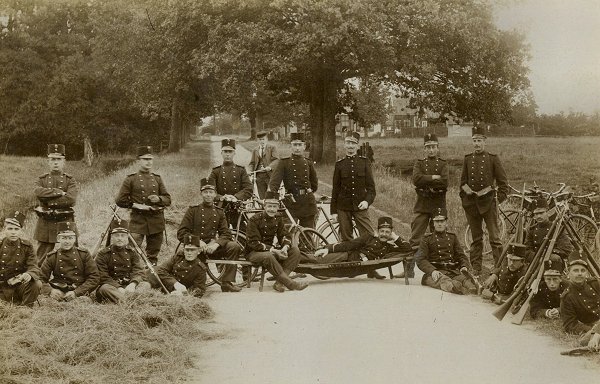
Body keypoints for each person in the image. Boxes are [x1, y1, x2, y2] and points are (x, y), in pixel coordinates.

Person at [177, 178, 243, 293]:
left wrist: (217, 244)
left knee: (234, 246)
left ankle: (227, 282)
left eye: (211, 192)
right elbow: (181, 232)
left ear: (215, 194)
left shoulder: (219, 212)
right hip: (196, 248)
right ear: (201, 194)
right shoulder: (193, 211)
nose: (208, 195)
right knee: (197, 287)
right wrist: (197, 242)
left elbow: (226, 233)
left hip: (213, 248)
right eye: (205, 192)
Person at [459, 125, 509, 276]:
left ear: (485, 141)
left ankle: (499, 268)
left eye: (479, 140)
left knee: (494, 238)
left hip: (489, 204)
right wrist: (465, 198)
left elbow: (503, 185)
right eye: (474, 140)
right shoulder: (467, 159)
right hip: (472, 205)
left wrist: (496, 201)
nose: (477, 144)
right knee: (476, 238)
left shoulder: (493, 159)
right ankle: (476, 268)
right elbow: (462, 184)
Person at [399, 133, 448, 279]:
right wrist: (434, 177)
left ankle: (441, 269)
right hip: (422, 205)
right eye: (428, 148)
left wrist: (425, 181)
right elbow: (416, 180)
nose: (431, 150)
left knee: (439, 237)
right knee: (415, 238)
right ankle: (409, 269)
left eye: (433, 147)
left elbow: (445, 182)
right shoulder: (419, 163)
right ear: (424, 149)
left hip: (438, 206)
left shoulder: (443, 164)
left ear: (438, 148)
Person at [115, 146, 171, 266]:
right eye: (145, 159)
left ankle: (150, 277)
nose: (148, 162)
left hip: (156, 221)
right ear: (138, 160)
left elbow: (168, 199)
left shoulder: (157, 179)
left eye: (150, 159)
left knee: (153, 255)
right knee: (131, 250)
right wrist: (135, 205)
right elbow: (120, 200)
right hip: (138, 221)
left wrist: (159, 199)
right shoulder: (131, 179)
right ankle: (129, 274)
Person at [313, 216, 412, 280]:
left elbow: (408, 249)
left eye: (387, 232)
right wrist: (328, 249)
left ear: (391, 234)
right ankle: (299, 258)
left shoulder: (389, 247)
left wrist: (395, 237)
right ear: (378, 231)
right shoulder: (368, 237)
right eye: (382, 231)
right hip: (345, 256)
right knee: (316, 260)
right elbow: (349, 244)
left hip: (354, 267)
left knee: (324, 270)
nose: (384, 235)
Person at [246, 191, 307, 292]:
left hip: (270, 251)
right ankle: (291, 284)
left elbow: (284, 235)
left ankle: (279, 283)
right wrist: (274, 250)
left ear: (278, 208)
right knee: (268, 256)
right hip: (253, 252)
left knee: (295, 251)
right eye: (269, 206)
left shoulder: (278, 218)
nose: (272, 209)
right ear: (264, 206)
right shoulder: (254, 219)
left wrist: (285, 247)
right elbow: (253, 243)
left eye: (274, 207)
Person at [34, 144, 78, 265]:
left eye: (59, 159)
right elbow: (38, 192)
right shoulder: (41, 179)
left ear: (64, 161)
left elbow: (71, 199)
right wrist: (59, 192)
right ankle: (39, 280)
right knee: (41, 258)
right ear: (48, 161)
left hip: (65, 220)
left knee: (72, 255)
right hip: (45, 221)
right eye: (53, 159)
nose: (56, 162)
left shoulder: (70, 180)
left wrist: (47, 201)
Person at [416, 208, 476, 295]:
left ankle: (471, 288)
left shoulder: (452, 237)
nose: (439, 224)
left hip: (452, 271)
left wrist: (464, 266)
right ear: (433, 223)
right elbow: (421, 259)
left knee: (466, 281)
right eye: (437, 221)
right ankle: (454, 288)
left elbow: (461, 255)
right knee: (443, 281)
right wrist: (432, 271)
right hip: (435, 273)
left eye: (442, 221)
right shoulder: (427, 239)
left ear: (446, 223)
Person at [330, 131, 376, 241]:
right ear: (344, 144)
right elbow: (335, 189)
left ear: (357, 145)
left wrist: (366, 202)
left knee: (369, 236)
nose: (350, 146)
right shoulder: (339, 164)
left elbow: (371, 189)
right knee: (346, 239)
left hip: (360, 205)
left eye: (353, 143)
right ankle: (349, 258)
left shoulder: (364, 162)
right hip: (343, 207)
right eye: (348, 143)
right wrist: (333, 211)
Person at [268, 132, 318, 228]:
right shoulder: (284, 163)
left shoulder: (308, 163)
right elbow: (274, 183)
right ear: (291, 146)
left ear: (304, 146)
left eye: (300, 145)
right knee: (289, 233)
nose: (297, 148)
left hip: (307, 203)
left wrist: (309, 193)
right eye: (295, 145)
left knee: (308, 236)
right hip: (291, 203)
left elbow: (314, 184)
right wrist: (271, 201)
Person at [40, 222, 100, 301]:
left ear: (75, 239)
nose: (67, 241)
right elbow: (40, 278)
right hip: (58, 289)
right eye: (64, 238)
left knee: (84, 301)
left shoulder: (84, 254)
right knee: (45, 302)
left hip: (79, 289)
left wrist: (77, 292)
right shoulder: (52, 257)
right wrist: (50, 291)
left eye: (70, 238)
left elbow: (94, 277)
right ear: (58, 239)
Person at [95, 218, 148, 303]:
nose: (120, 238)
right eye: (117, 235)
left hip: (129, 285)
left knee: (145, 285)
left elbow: (138, 271)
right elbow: (102, 275)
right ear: (112, 237)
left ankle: (126, 300)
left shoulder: (132, 252)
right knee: (104, 289)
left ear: (127, 237)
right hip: (112, 286)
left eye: (122, 235)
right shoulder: (103, 254)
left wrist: (133, 284)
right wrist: (118, 287)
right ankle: (130, 302)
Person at [0, 211, 42, 306]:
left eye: (16, 229)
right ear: (4, 229)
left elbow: (34, 266)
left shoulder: (27, 246)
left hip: (19, 285)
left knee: (36, 284)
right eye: (10, 229)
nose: (13, 232)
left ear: (20, 230)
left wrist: (29, 274)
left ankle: (26, 308)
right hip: (2, 286)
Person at [560, 250, 600, 349]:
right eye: (575, 270)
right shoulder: (567, 296)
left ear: (587, 273)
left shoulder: (595, 284)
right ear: (568, 273)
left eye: (583, 270)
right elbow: (570, 325)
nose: (579, 274)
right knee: (584, 341)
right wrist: (591, 330)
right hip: (592, 326)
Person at [524, 196, 572, 268]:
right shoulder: (531, 230)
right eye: (536, 214)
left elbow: (566, 248)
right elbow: (527, 249)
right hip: (535, 261)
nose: (539, 216)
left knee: (554, 258)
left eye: (541, 213)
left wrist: (548, 254)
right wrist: (537, 257)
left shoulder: (556, 228)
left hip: (552, 262)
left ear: (547, 212)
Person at [248, 131, 279, 199]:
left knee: (271, 194)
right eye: (260, 139)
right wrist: (250, 171)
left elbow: (276, 160)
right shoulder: (255, 150)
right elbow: (252, 163)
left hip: (270, 175)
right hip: (259, 176)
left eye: (263, 139)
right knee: (262, 196)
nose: (262, 141)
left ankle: (272, 208)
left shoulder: (272, 148)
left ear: (267, 139)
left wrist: (270, 167)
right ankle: (263, 207)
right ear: (257, 140)